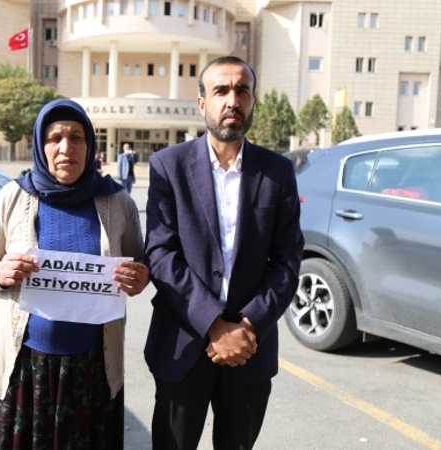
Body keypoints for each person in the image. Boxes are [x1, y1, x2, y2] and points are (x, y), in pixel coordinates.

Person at [0, 98, 149, 449]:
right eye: (55, 138)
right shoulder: (14, 197)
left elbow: (139, 262)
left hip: (94, 370)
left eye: (76, 137)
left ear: (90, 145)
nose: (66, 147)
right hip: (26, 367)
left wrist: (140, 277)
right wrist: (1, 272)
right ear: (40, 145)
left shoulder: (118, 201)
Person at [143, 56, 304, 449]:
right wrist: (214, 325)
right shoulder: (168, 166)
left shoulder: (277, 172)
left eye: (242, 91)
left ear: (252, 101)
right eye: (221, 91)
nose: (233, 100)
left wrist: (248, 326)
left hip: (250, 350)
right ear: (202, 103)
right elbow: (161, 254)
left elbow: (287, 261)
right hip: (183, 345)